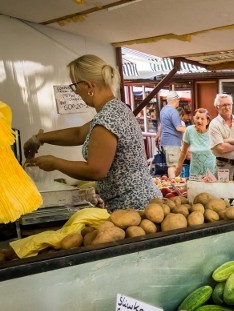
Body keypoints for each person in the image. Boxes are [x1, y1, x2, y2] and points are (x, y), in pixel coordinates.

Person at [23, 54, 161, 210]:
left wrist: (55, 163)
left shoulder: (108, 117)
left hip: (132, 206)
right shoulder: (115, 108)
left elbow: (95, 170)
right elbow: (78, 134)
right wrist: (39, 138)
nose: (75, 92)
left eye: (74, 86)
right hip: (143, 201)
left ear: (89, 86)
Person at [209, 94, 234, 181]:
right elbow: (221, 148)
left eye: (229, 104)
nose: (227, 107)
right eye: (224, 105)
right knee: (222, 193)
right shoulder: (214, 124)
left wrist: (227, 141)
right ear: (217, 107)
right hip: (222, 166)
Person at [176, 108, 215, 180]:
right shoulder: (189, 130)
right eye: (197, 118)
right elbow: (183, 151)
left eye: (202, 119)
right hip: (195, 172)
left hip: (210, 172)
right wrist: (178, 167)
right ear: (194, 119)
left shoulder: (213, 131)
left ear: (207, 121)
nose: (199, 121)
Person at [159, 91, 186, 179]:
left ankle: (173, 184)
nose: (178, 102)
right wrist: (191, 129)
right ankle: (174, 185)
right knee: (173, 166)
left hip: (166, 141)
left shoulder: (164, 110)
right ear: (175, 100)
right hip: (172, 142)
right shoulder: (173, 111)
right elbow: (178, 128)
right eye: (178, 100)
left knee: (171, 165)